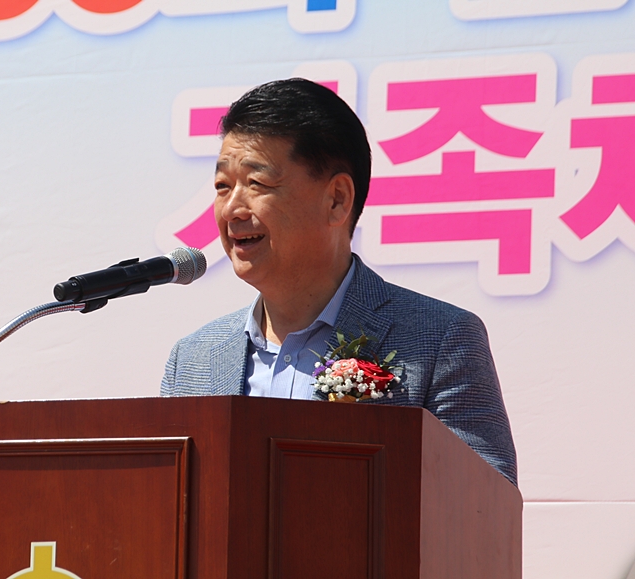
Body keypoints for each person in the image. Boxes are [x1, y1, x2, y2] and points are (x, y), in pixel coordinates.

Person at [160, 78, 518, 486]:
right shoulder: (192, 360)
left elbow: (485, 505)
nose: (231, 209)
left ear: (337, 200)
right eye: (223, 187)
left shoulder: (438, 340)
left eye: (257, 183)